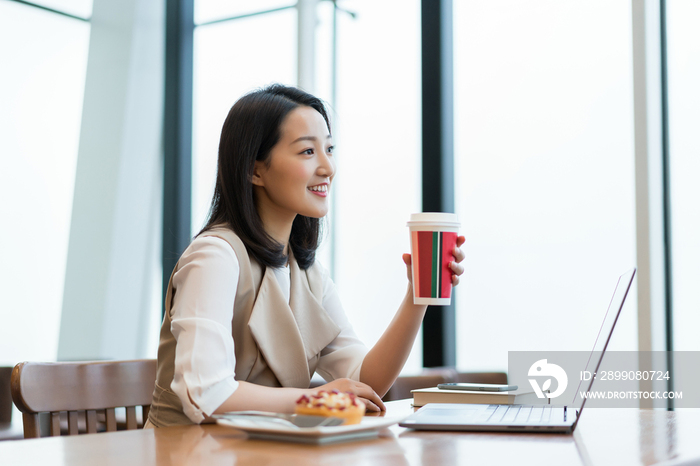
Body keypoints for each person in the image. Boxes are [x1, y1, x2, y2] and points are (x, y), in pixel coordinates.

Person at [146, 84, 466, 427]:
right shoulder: (215, 257)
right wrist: (317, 398)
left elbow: (364, 382)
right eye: (307, 152)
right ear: (255, 170)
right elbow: (205, 394)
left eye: (329, 148)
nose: (328, 167)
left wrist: (417, 296)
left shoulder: (308, 273)